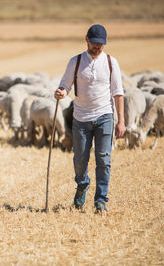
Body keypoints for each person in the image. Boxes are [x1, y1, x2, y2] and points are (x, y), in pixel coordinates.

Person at [54, 24, 125, 213]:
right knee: (80, 160)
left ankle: (101, 200)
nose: (98, 47)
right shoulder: (75, 62)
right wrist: (61, 91)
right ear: (86, 39)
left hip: (105, 116)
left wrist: (121, 121)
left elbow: (118, 93)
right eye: (94, 43)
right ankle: (82, 184)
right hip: (81, 118)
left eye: (101, 44)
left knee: (103, 159)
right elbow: (65, 85)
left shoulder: (111, 62)